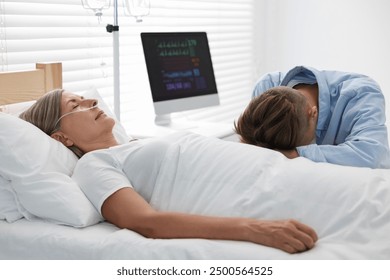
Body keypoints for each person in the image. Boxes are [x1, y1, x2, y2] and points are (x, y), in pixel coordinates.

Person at [19, 88, 318, 254]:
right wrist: (255, 229)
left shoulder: (131, 147)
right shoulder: (93, 166)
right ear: (62, 138)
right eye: (76, 104)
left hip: (277, 172)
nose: (91, 101)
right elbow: (146, 222)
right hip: (266, 193)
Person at [235, 66, 390, 169]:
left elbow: (373, 155)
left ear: (313, 114)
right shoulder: (266, 86)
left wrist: (295, 154)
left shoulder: (362, 93)